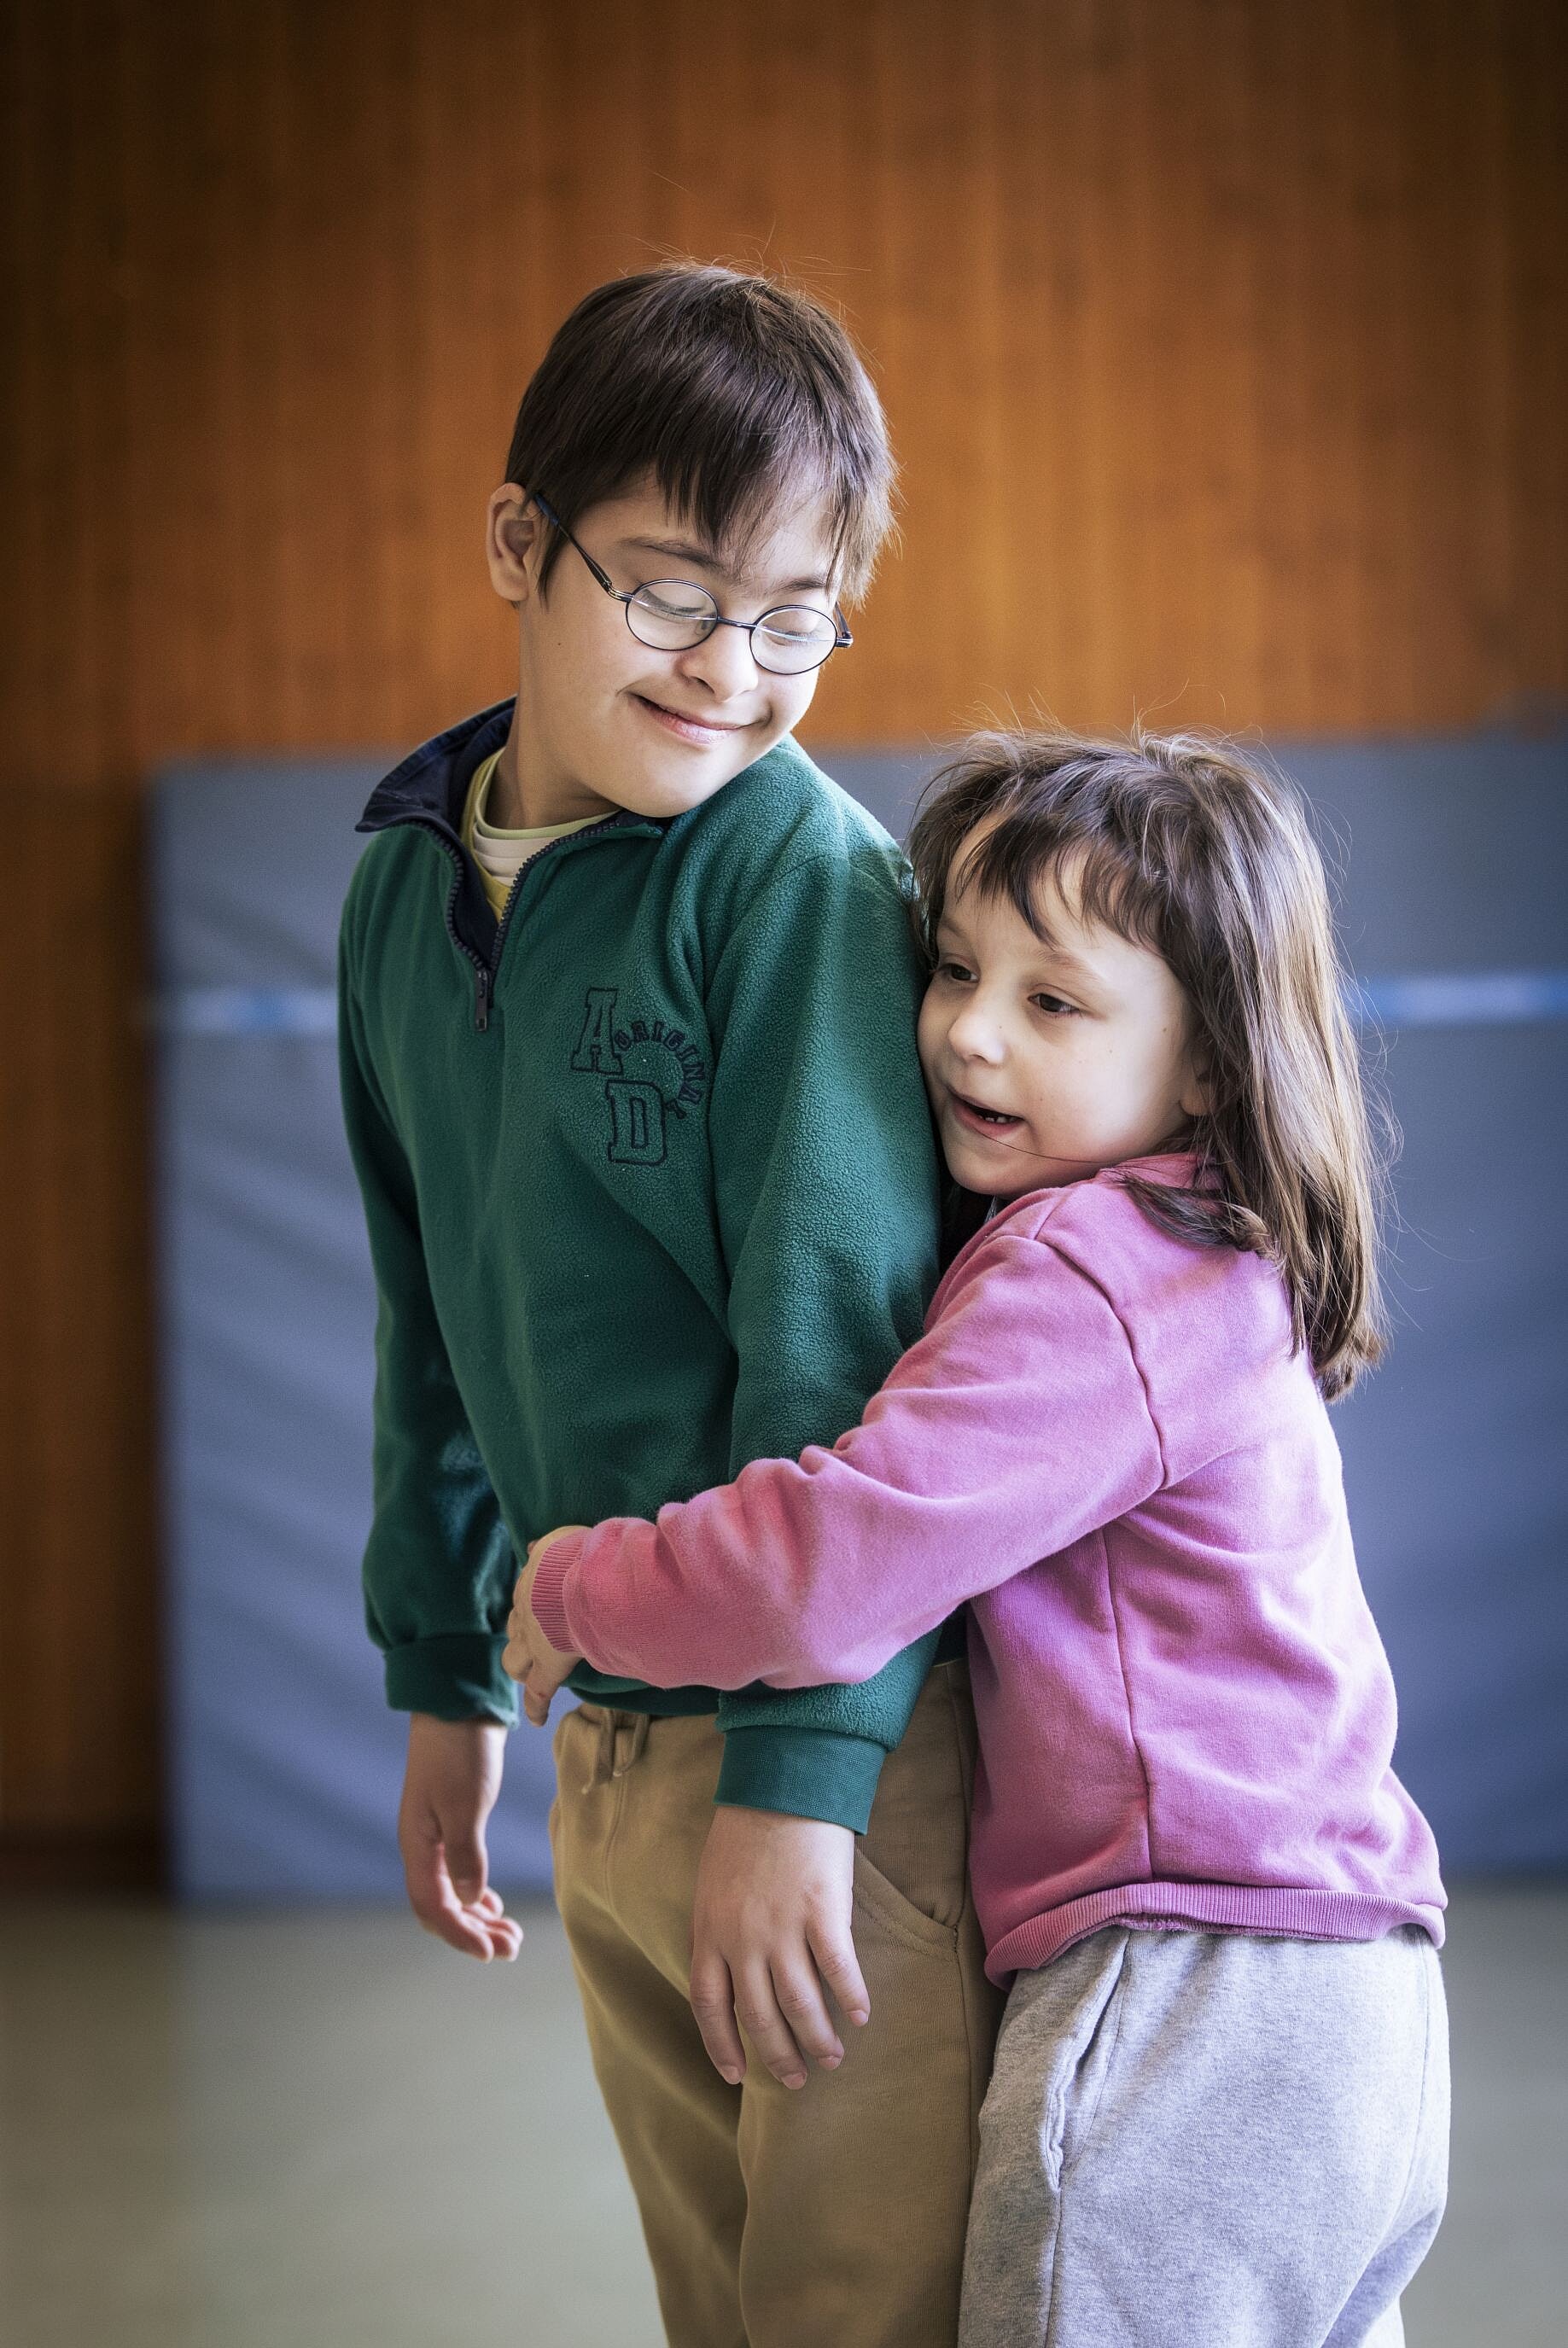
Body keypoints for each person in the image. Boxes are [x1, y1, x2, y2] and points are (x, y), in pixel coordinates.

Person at [508, 728, 1451, 2348]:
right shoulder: (1207, 1259)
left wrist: (581, 1589)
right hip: (1344, 1989)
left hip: (1185, 1985)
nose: (965, 1036)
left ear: (1210, 1057)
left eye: (1053, 1002)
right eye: (952, 970)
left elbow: (832, 1563)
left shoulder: (1095, 1271)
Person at [336, 262, 1000, 2348]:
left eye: (795, 615)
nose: (734, 666)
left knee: (849, 2306)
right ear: (519, 544)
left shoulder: (790, 884)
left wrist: (798, 1786)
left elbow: (846, 1358)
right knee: (710, 2303)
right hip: (594, 1716)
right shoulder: (395, 883)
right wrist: (442, 1662)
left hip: (835, 1754)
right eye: (674, 591)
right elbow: (425, 1306)